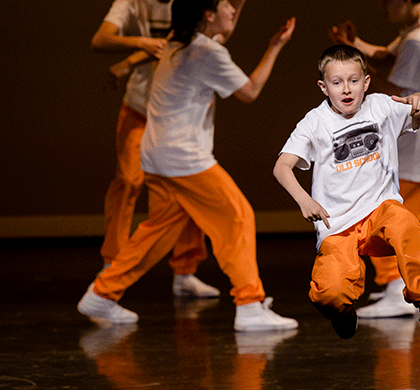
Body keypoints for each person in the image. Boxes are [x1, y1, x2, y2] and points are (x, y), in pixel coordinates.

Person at [78, 0, 298, 332]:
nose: (231, 12)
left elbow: (222, 31)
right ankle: (250, 303)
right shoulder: (206, 52)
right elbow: (250, 91)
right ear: (208, 15)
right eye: (226, 7)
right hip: (183, 158)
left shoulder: (178, 43)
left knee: (160, 230)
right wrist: (274, 47)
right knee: (237, 216)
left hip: (156, 155)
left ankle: (102, 293)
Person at [273, 44, 420, 343]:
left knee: (409, 228)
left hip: (380, 212)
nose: (346, 89)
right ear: (324, 87)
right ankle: (342, 310)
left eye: (353, 81)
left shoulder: (381, 106)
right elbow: (282, 166)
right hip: (337, 226)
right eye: (337, 82)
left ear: (366, 82)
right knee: (329, 293)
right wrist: (303, 199)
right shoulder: (315, 122)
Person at [328, 0, 420, 318]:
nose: (383, 7)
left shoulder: (418, 40)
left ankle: (396, 288)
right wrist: (355, 46)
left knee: (391, 222)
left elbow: (394, 89)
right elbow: (389, 55)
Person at [91, 0, 221, 299]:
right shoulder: (132, 2)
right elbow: (100, 39)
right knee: (127, 181)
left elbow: (187, 40)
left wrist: (128, 61)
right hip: (140, 105)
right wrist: (141, 44)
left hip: (179, 111)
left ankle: (185, 271)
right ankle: (112, 263)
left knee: (187, 187)